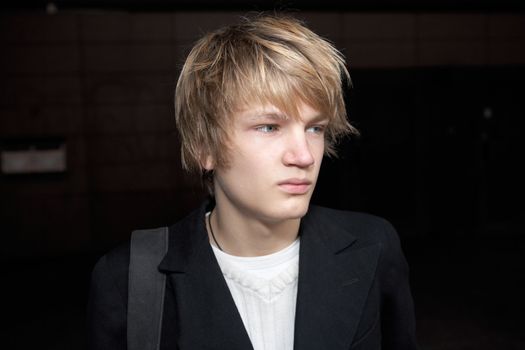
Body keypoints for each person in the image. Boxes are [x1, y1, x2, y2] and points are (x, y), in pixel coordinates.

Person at [87, 13, 418, 350]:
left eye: (315, 128)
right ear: (205, 148)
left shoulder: (373, 246)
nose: (304, 156)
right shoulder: (129, 278)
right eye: (269, 127)